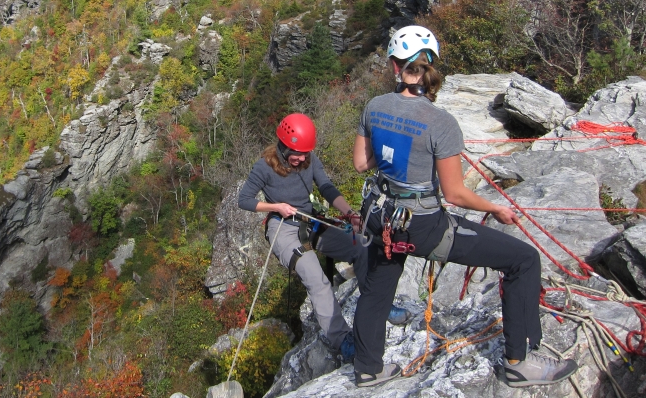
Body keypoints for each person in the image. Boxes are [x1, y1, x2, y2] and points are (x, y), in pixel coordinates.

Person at [350, 25, 580, 387]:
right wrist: (495, 208)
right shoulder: (441, 123)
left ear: (396, 67)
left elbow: (362, 164)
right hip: (422, 226)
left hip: (379, 219)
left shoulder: (374, 107)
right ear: (430, 67)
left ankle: (367, 367)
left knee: (378, 287)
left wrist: (393, 154)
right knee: (523, 260)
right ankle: (520, 361)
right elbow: (455, 195)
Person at [238, 113, 409, 363]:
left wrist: (348, 212)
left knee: (363, 246)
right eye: (297, 153)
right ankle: (342, 340)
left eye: (306, 152)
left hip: (310, 221)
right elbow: (244, 200)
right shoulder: (264, 167)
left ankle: (379, 305)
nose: (302, 158)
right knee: (315, 277)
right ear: (283, 147)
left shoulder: (309, 160)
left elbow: (326, 187)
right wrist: (275, 207)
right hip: (282, 227)